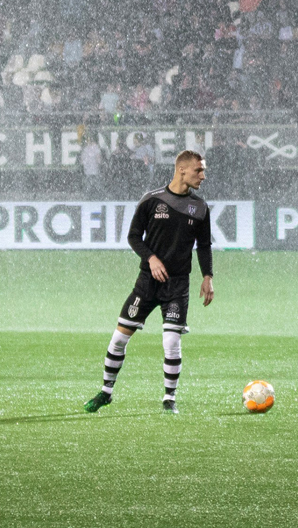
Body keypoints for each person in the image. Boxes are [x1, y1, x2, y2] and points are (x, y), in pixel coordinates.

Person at [84, 150, 214, 414]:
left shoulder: (200, 207)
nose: (203, 175)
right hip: (147, 283)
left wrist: (207, 277)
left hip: (177, 285)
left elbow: (204, 245)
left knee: (171, 342)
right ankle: (106, 392)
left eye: (203, 170)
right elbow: (133, 237)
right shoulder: (152, 200)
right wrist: (152, 259)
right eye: (198, 170)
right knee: (119, 338)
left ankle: (169, 399)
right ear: (181, 170)